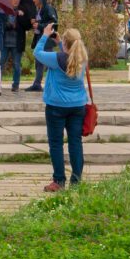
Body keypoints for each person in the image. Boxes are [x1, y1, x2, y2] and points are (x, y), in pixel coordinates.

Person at [33, 21, 89, 192]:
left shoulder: (56, 59)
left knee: (56, 143)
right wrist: (60, 42)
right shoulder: (83, 58)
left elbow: (37, 53)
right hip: (78, 106)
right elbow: (69, 54)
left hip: (56, 106)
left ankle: (59, 180)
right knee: (75, 142)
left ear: (66, 43)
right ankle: (76, 180)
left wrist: (44, 35)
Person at [25, 0, 58, 92]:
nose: (33, 0)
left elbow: (54, 24)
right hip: (40, 38)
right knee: (39, 61)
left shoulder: (49, 8)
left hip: (47, 40)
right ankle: (37, 84)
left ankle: (53, 84)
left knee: (49, 62)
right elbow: (42, 22)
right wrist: (35, 22)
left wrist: (39, 25)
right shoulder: (38, 9)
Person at [2, 0, 27, 92]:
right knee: (0, 63)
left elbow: (27, 26)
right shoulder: (3, 11)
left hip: (17, 43)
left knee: (17, 65)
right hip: (4, 42)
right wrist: (8, 25)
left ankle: (15, 85)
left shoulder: (22, 12)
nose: (16, 0)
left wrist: (22, 17)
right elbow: (0, 25)